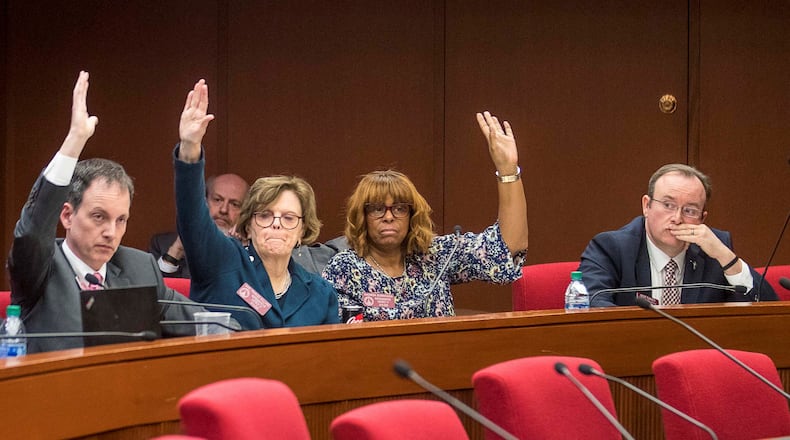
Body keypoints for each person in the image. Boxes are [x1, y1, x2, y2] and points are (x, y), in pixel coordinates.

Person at [7, 71, 205, 353]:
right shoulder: (39, 268)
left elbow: (205, 323)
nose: (111, 232)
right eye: (99, 216)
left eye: (121, 220)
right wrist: (74, 141)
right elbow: (32, 230)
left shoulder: (139, 268)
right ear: (67, 216)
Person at [322, 112, 529, 321]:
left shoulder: (435, 255)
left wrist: (508, 170)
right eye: (377, 209)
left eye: (399, 208)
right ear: (362, 216)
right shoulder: (344, 268)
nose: (388, 216)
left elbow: (508, 246)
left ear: (412, 215)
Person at [172, 79, 340, 329]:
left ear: (302, 231)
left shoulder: (321, 293)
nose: (276, 225)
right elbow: (192, 218)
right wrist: (190, 147)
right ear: (248, 226)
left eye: (288, 218)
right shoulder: (222, 261)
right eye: (264, 216)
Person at [581, 163, 778, 307]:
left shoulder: (715, 251)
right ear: (646, 206)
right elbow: (593, 304)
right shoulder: (611, 248)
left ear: (702, 218)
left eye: (690, 211)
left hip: (696, 359)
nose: (677, 218)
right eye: (668, 205)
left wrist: (727, 258)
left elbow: (768, 311)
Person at [149, 173, 249, 278]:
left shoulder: (253, 251)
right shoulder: (162, 244)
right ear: (203, 202)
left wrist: (242, 250)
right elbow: (152, 290)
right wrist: (176, 250)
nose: (223, 210)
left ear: (245, 212)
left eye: (234, 204)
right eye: (217, 200)